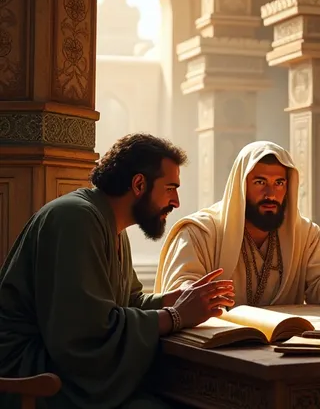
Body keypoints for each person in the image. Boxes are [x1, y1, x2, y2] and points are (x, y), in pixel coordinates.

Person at [0, 134, 235, 409]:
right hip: (34, 375)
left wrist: (175, 298)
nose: (176, 202)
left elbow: (129, 302)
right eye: (170, 188)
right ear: (139, 184)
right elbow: (85, 333)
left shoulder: (112, 226)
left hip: (66, 371)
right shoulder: (75, 219)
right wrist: (176, 316)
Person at [155, 140, 320, 308]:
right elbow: (178, 296)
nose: (271, 193)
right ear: (241, 186)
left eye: (279, 183)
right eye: (260, 182)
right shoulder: (200, 233)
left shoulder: (304, 233)